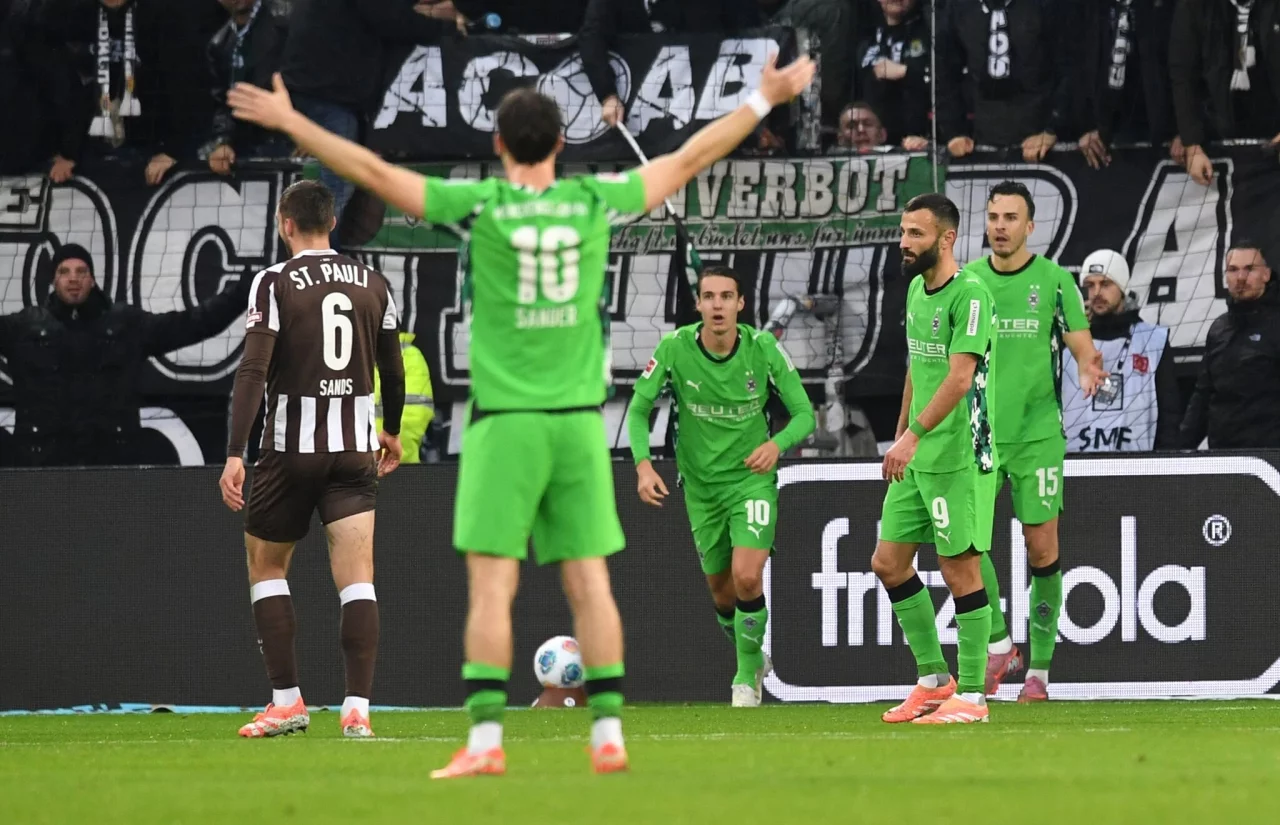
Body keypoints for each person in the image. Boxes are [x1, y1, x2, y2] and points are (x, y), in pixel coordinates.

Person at [228, 54, 816, 774]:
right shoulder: (593, 201)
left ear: (499, 144)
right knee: (589, 582)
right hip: (577, 423)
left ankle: (484, 743)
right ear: (562, 144)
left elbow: (374, 172)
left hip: (505, 423)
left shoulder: (482, 206)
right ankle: (607, 732)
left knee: (492, 585)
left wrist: (292, 121)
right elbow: (690, 157)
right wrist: (763, 97)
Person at [218, 180, 406, 740]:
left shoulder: (274, 281)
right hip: (354, 451)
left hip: (290, 451)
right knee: (358, 579)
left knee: (267, 567)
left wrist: (234, 452)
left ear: (286, 224)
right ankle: (358, 708)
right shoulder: (374, 283)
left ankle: (287, 702)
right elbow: (393, 370)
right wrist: (392, 430)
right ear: (333, 222)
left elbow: (253, 370)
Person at [627, 265, 815, 708]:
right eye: (709, 297)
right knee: (723, 593)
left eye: (726, 297)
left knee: (747, 577)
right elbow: (637, 410)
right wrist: (643, 466)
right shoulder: (674, 348)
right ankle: (752, 655)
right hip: (700, 488)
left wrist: (776, 444)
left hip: (751, 483)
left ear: (740, 304)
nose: (717, 305)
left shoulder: (762, 348)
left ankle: (745, 677)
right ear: (698, 304)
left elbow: (805, 414)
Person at [964, 181, 1106, 703]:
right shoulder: (967, 281)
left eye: (1010, 218)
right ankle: (1001, 644)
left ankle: (1039, 675)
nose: (1000, 226)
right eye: (993, 217)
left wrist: (1087, 367)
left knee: (1041, 547)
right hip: (979, 436)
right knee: (967, 545)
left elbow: (1081, 345)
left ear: (1029, 226)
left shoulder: (1054, 281)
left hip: (1037, 436)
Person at [873, 193, 999, 725]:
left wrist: (915, 436)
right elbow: (917, 367)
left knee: (959, 569)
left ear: (946, 239)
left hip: (958, 454)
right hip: (918, 452)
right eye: (903, 232)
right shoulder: (915, 290)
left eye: (915, 234)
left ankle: (972, 696)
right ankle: (932, 681)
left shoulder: (971, 295)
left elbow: (959, 377)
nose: (904, 243)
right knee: (888, 562)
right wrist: (902, 430)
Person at [0, 243, 249, 467]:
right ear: (54, 281)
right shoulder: (24, 328)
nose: (73, 278)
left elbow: (190, 324)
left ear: (92, 280)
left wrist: (239, 295)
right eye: (64, 271)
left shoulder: (125, 325)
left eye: (81, 271)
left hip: (112, 467)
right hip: (41, 466)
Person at [1063, 249, 1181, 452]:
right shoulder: (1068, 342)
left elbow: (1169, 415)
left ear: (1123, 287)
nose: (1097, 293)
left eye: (1105, 284)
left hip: (1137, 467)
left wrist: (1164, 464)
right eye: (1090, 285)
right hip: (1075, 465)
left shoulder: (1153, 340)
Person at [1179, 242, 1280, 449]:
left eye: (1249, 269)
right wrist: (1179, 450)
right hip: (1224, 456)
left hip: (1271, 456)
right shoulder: (1219, 329)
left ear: (1266, 274)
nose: (1240, 277)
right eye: (1233, 270)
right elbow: (1203, 396)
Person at [374, 331, 434, 463]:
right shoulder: (354, 354)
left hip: (399, 461)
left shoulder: (409, 355)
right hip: (365, 459)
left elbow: (413, 415)